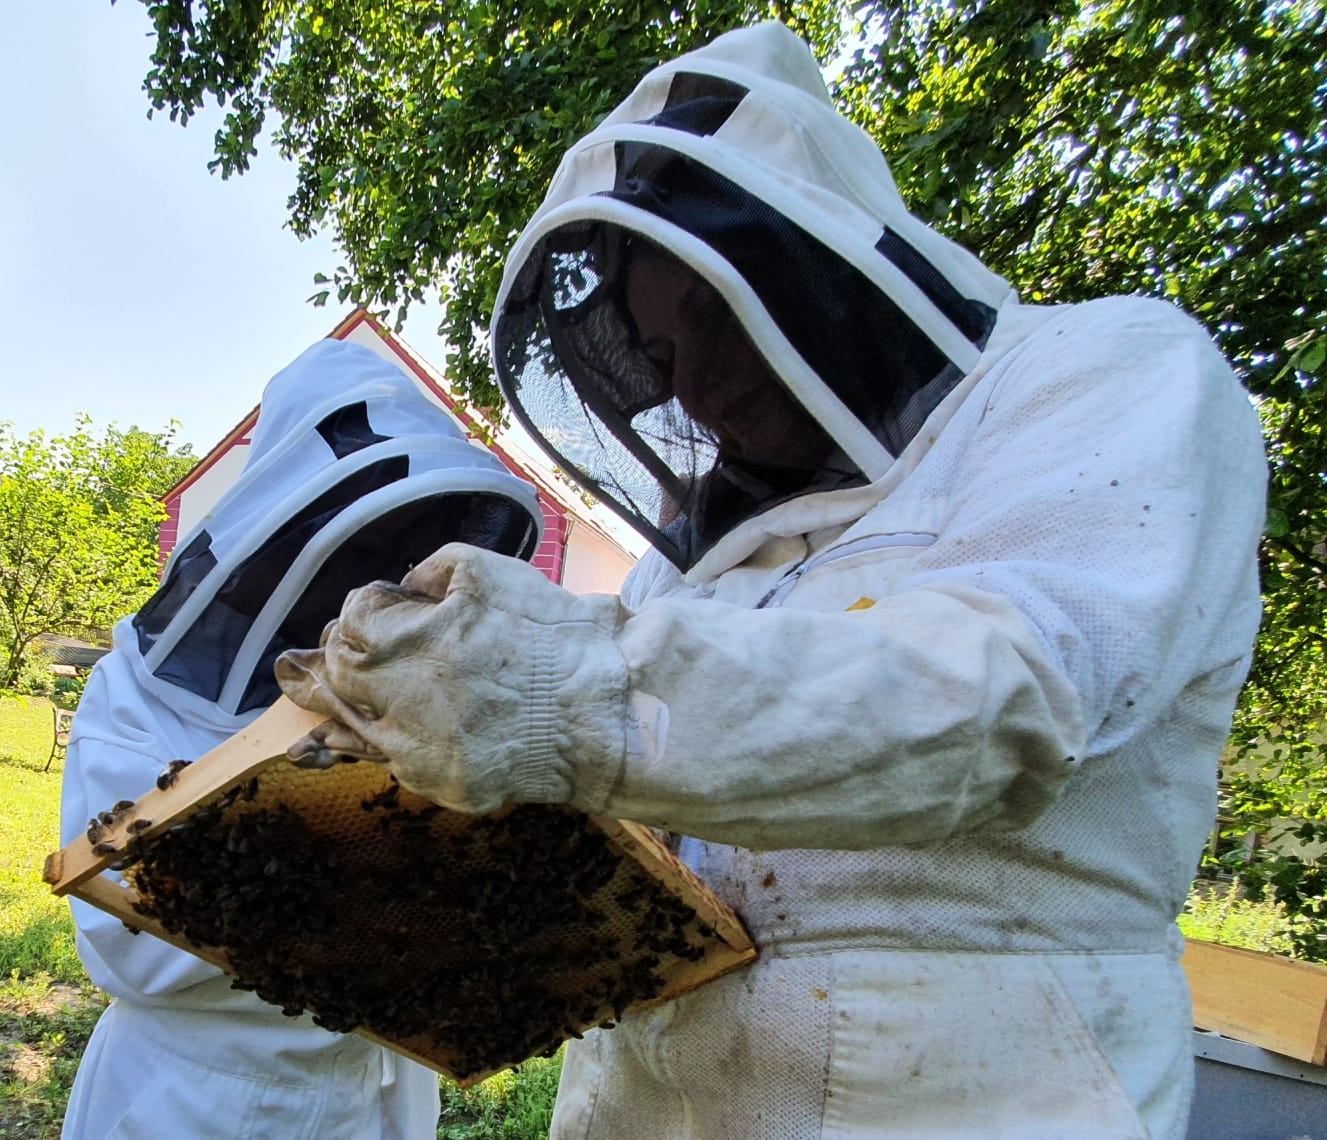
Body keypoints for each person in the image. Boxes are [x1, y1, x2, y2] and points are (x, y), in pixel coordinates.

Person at [275, 22, 1268, 1139]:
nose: (688, 383)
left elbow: (1005, 696)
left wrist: (556, 683)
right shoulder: (683, 559)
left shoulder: (1100, 375)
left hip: (979, 1091)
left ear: (814, 270)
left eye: (711, 316)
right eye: (655, 354)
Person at [60, 339, 544, 1138]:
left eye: (402, 549)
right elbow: (125, 943)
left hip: (373, 1092)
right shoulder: (138, 687)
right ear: (289, 522)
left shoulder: (423, 702)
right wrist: (364, 877)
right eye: (356, 543)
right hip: (192, 1103)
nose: (370, 575)